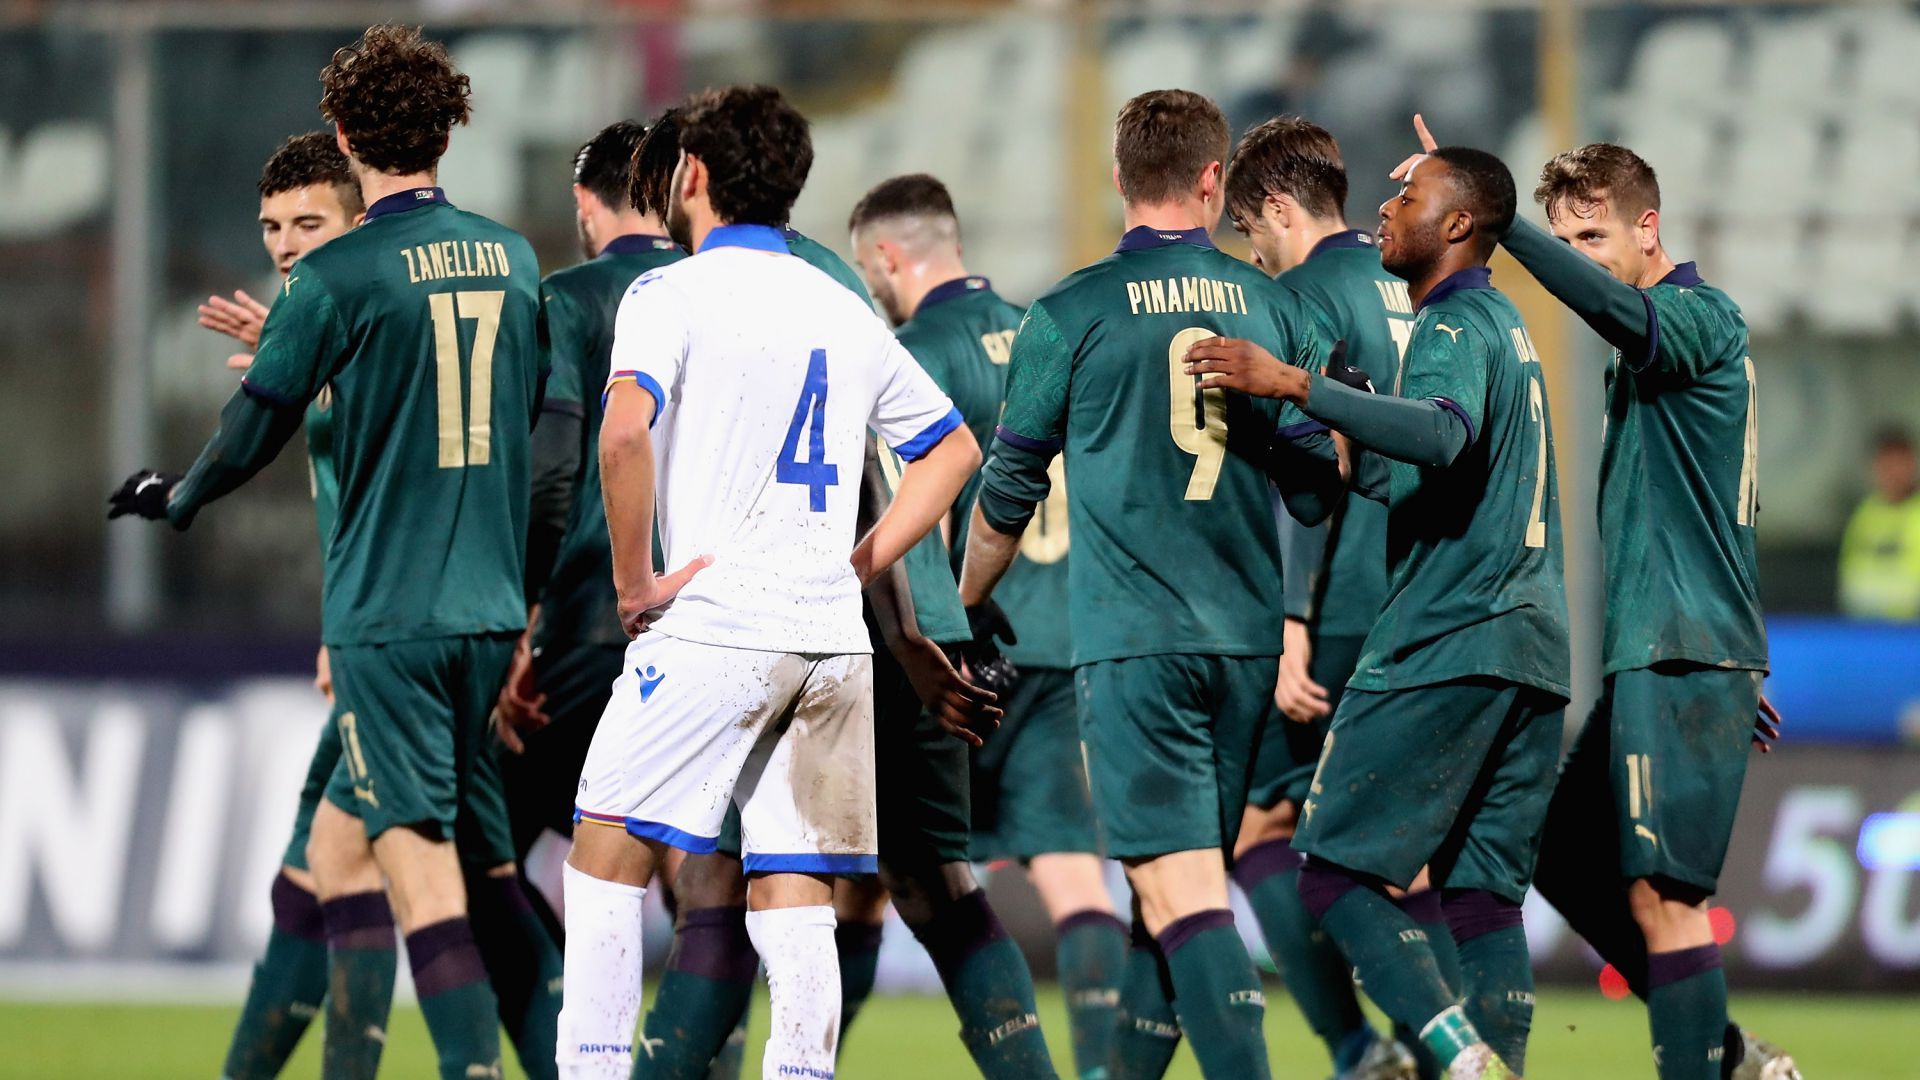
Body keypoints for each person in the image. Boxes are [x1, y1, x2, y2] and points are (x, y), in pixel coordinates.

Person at [111, 24, 553, 1080]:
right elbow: (518, 421)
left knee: (425, 879)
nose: (285, 242)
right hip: (489, 616)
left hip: (391, 626)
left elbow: (249, 431)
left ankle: (475, 1067)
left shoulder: (338, 276)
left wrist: (176, 498)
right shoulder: (515, 256)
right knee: (372, 860)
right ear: (449, 129)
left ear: (346, 137)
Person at [556, 84, 981, 1080]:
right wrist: (857, 564)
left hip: (714, 624)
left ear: (694, 175)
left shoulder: (668, 294)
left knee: (604, 862)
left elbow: (622, 436)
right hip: (830, 640)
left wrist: (634, 584)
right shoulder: (841, 306)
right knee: (795, 898)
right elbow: (951, 449)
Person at [1387, 116, 1795, 1080]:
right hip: (1672, 647)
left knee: (1665, 900)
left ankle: (1719, 1065)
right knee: (1566, 858)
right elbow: (1716, 508)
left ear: (1649, 227)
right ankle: (1726, 1051)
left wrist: (1500, 220)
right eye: (1567, 240)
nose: (1581, 258)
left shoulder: (1697, 317)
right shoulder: (1654, 345)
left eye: (1594, 237)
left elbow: (1623, 317)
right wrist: (1728, 655)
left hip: (1681, 648)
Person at [959, 88, 1351, 1080]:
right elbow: (1315, 496)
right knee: (1167, 899)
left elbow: (1007, 494)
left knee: (1182, 898)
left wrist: (963, 603)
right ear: (1214, 180)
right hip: (1245, 648)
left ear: (1119, 178)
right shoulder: (1277, 308)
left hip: (1137, 646)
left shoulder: (1070, 311)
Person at [1184, 145, 1570, 1079]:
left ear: (1459, 226)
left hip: (1445, 632)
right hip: (1533, 641)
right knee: (1480, 896)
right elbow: (1432, 470)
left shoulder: (1450, 321)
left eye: (1411, 196)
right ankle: (1491, 1067)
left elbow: (1440, 434)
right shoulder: (1507, 323)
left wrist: (1297, 387)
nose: (1387, 208)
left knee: (1329, 868)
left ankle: (1428, 1051)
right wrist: (1356, 435)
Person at [827, 173, 1067, 1077]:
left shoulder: (913, 349)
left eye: (869, 269)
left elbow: (905, 505)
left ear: (887, 257)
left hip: (921, 639)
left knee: (771, 885)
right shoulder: (1041, 332)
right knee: (936, 880)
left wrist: (887, 604)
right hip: (1038, 632)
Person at [1220, 115, 1423, 1080]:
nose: (1250, 254)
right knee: (1410, 849)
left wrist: (1293, 619)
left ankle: (1361, 1047)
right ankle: (1447, 1047)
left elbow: (1316, 468)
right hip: (1427, 592)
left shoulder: (1297, 296)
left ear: (1277, 209)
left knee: (1260, 826)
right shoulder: (1415, 280)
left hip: (1337, 600)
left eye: (1247, 231)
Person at [199, 130, 363, 1080]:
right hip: (381, 635)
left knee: (359, 876)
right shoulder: (333, 332)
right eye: (272, 227)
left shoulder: (383, 328)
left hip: (415, 643)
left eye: (309, 223)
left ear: (357, 222)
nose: (287, 244)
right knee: (327, 878)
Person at [496, 116, 686, 921]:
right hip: (708, 616)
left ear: (584, 201)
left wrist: (522, 616)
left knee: (477, 852)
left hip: (590, 616)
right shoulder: (720, 289)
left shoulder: (567, 300)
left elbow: (551, 474)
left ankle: (556, 1007)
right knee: (697, 867)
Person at [1839, 428, 1920, 620]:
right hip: (1870, 627)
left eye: (1899, 463)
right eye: (1886, 465)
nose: (1893, 473)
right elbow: (1850, 577)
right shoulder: (1864, 515)